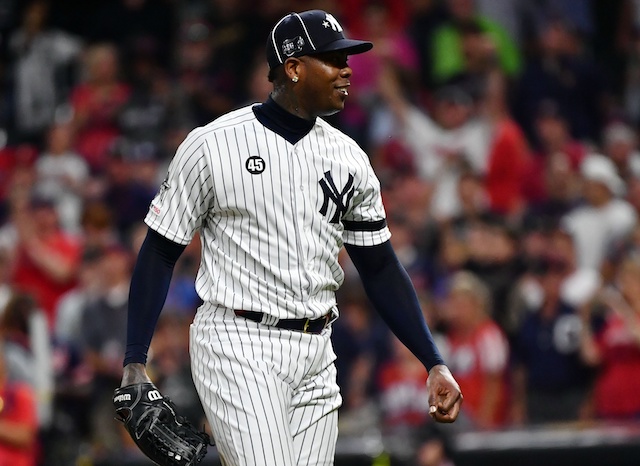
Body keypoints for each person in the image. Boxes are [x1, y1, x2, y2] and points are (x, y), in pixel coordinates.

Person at [118, 9, 462, 466]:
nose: (346, 70)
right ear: (294, 67)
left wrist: (432, 360)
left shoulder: (349, 158)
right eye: (333, 60)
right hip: (238, 342)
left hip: (319, 349)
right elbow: (160, 251)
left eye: (347, 60)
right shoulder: (213, 144)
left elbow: (379, 266)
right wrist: (135, 361)